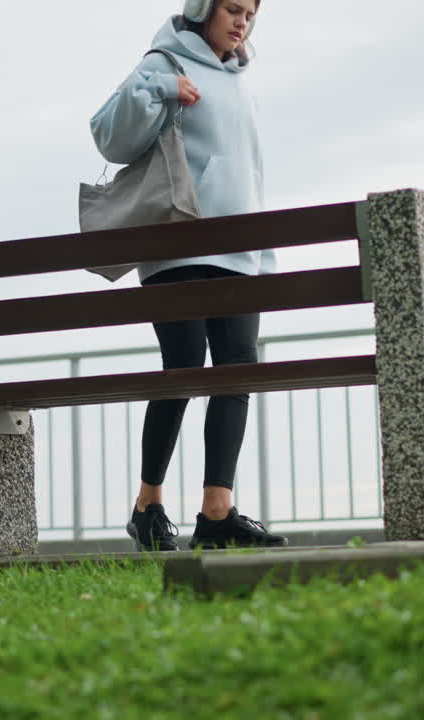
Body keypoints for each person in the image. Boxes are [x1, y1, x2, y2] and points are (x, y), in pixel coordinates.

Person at [90, 0, 285, 551]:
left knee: (236, 374)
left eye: (249, 11)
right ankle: (148, 503)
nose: (242, 20)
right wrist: (164, 91)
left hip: (240, 255)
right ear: (202, 8)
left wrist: (263, 258)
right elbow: (107, 136)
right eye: (231, 8)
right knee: (183, 368)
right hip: (178, 248)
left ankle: (216, 511)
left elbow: (252, 178)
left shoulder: (242, 82)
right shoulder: (164, 61)